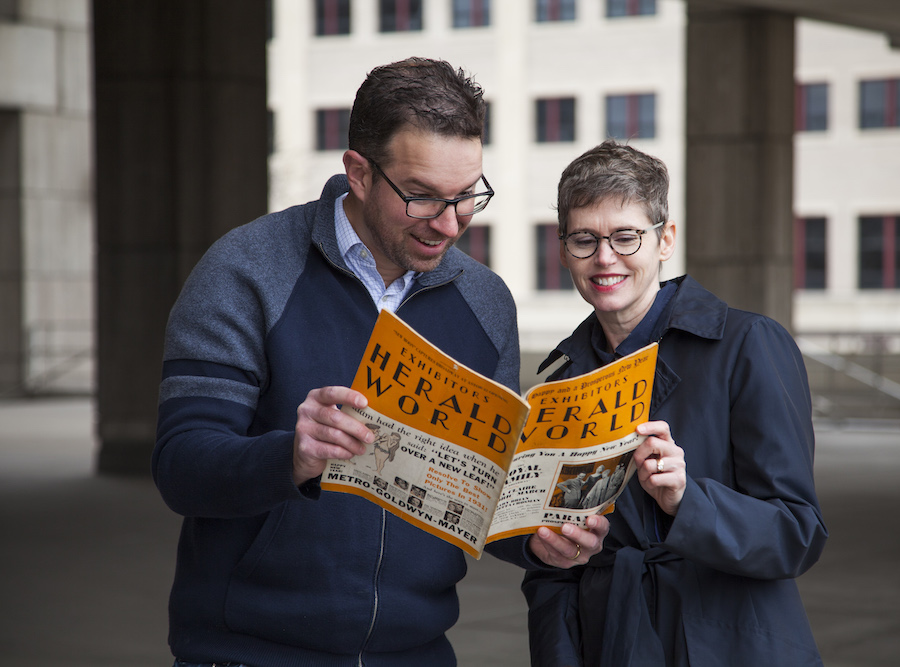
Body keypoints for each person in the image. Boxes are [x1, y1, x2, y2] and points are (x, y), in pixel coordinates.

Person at [153, 58, 608, 667]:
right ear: (358, 172)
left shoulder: (485, 301)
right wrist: (292, 456)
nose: (449, 224)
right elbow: (181, 467)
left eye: (467, 195)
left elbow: (481, 493)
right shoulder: (246, 271)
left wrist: (541, 538)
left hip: (419, 652)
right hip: (250, 652)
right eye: (421, 198)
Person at [521, 140, 828, 666]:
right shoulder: (566, 378)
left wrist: (689, 501)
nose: (604, 257)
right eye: (584, 239)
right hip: (605, 639)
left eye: (626, 237)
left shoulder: (748, 343)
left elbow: (797, 534)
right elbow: (552, 571)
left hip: (727, 644)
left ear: (666, 241)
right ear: (563, 248)